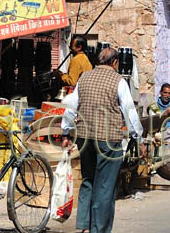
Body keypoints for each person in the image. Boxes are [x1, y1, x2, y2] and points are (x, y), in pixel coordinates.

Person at [61, 47, 144, 233]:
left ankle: (83, 225)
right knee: (105, 186)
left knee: (88, 180)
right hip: (108, 139)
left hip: (84, 137)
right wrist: (137, 135)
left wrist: (66, 132)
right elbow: (130, 112)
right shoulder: (119, 81)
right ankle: (99, 229)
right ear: (115, 63)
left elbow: (70, 105)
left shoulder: (84, 78)